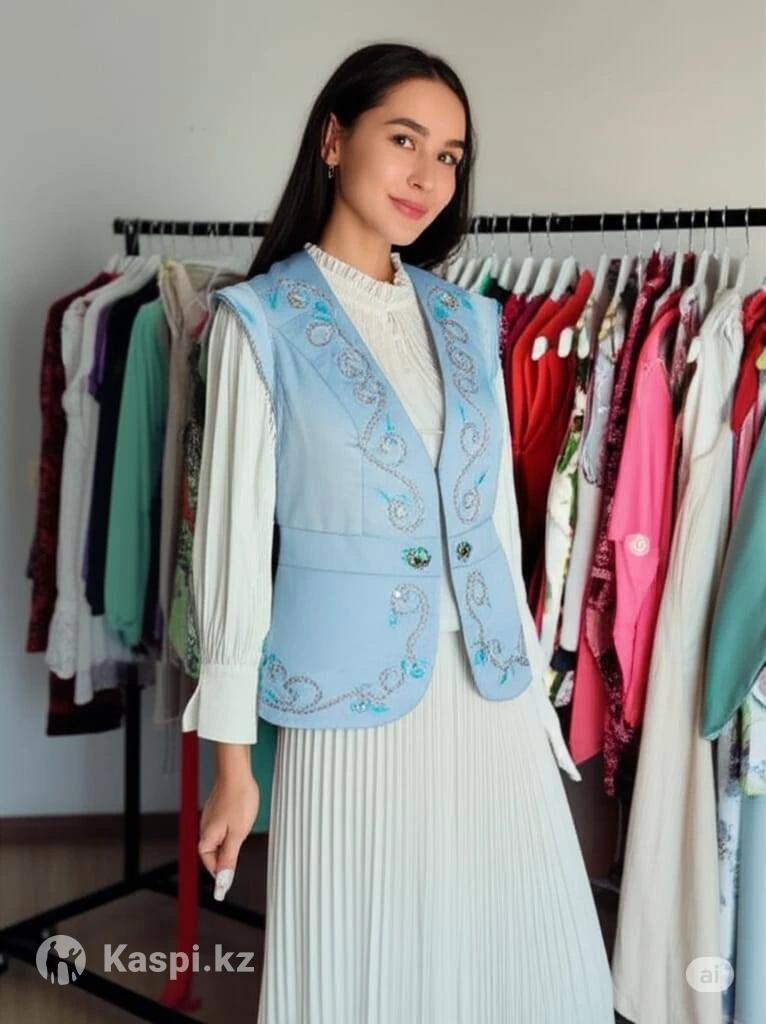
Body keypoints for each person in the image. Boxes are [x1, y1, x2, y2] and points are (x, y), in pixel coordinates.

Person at [182, 41, 615, 1023]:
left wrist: (530, 693)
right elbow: (233, 558)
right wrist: (232, 766)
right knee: (367, 963)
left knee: (531, 962)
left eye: (450, 156)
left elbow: (492, 522)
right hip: (348, 703)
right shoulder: (259, 321)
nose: (428, 176)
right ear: (334, 140)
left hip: (488, 693)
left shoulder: (468, 319)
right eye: (405, 140)